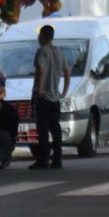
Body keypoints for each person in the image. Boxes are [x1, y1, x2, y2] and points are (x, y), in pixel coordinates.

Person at [31, 24, 70, 169]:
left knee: (42, 129)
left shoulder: (42, 51)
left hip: (44, 97)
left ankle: (43, 159)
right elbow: (67, 71)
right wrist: (64, 91)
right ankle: (57, 158)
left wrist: (39, 91)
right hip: (55, 97)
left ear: (43, 36)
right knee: (55, 128)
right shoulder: (59, 52)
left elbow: (39, 70)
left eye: (39, 35)